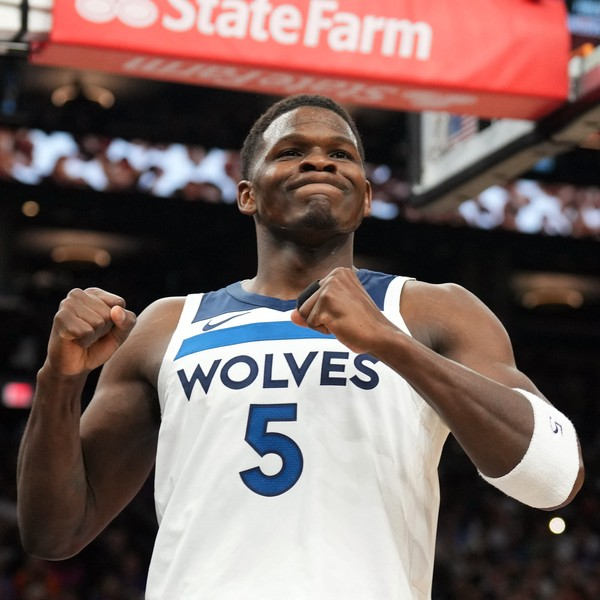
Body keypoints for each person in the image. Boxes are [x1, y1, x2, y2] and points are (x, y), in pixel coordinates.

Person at [16, 94, 584, 600]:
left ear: (365, 197)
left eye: (341, 154)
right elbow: (54, 532)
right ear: (247, 195)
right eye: (291, 152)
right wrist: (59, 380)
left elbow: (555, 479)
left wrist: (390, 342)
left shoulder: (432, 311)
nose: (320, 161)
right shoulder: (168, 325)